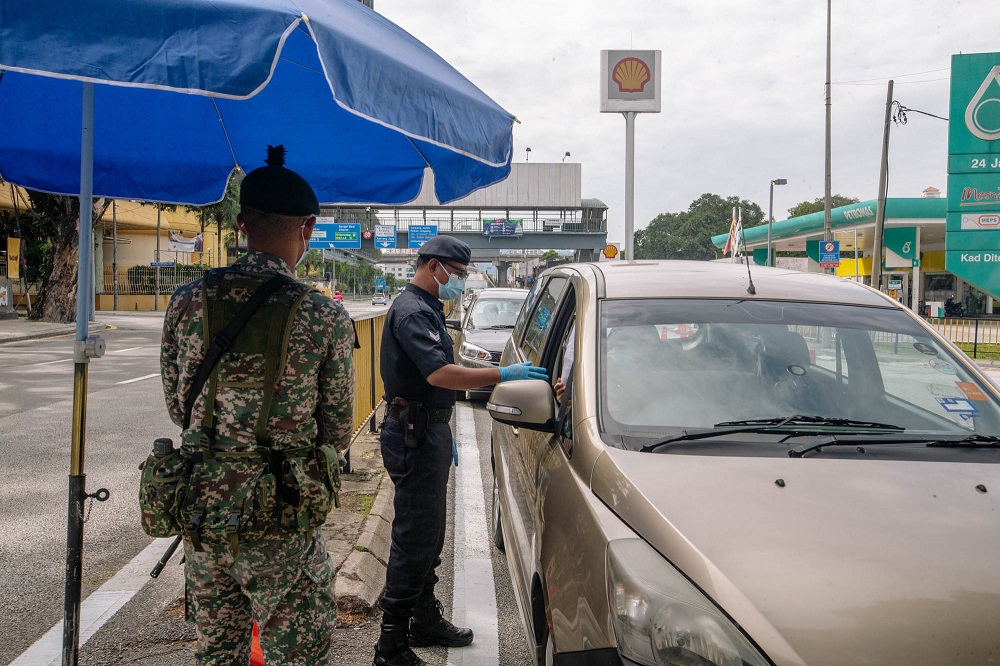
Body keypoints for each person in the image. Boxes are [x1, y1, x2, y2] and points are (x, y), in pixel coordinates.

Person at [160, 145, 355, 665]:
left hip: (204, 514)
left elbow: (179, 409)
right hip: (282, 521)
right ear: (307, 229)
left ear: (242, 224)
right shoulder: (323, 315)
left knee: (216, 654)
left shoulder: (187, 301)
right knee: (299, 654)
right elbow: (336, 432)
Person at [374, 235, 547, 666]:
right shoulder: (413, 311)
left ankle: (423, 617)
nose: (461, 281)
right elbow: (439, 375)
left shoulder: (429, 307)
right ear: (435, 266)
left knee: (430, 535)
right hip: (414, 433)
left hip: (427, 430)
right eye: (458, 272)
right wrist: (501, 373)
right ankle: (390, 643)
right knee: (414, 537)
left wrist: (441, 431)